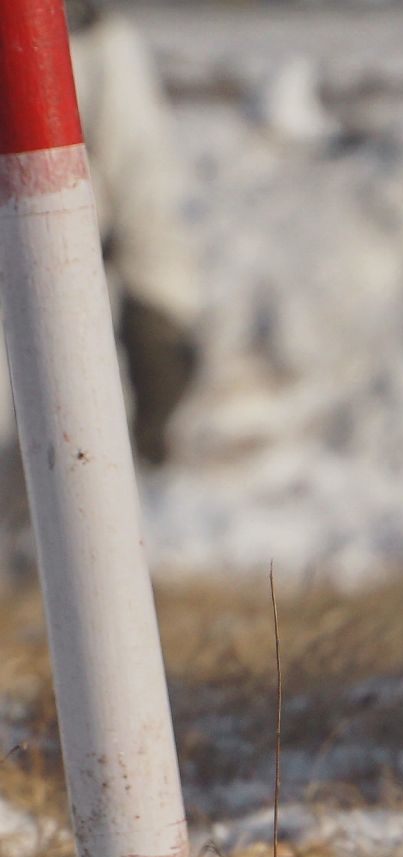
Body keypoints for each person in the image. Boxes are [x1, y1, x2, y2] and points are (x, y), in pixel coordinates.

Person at [2, 1, 202, 586]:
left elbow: (145, 186)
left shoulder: (92, 41)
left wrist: (159, 317)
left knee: (59, 481)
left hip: (52, 282)